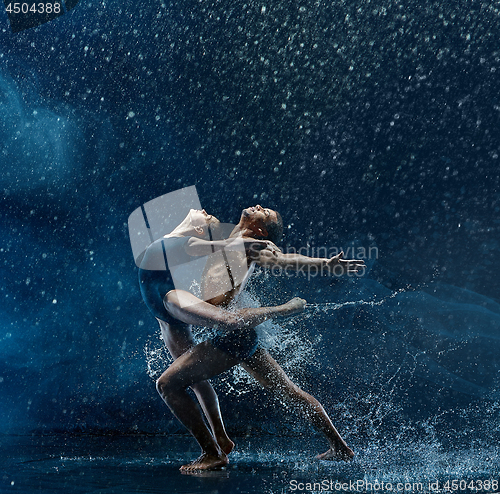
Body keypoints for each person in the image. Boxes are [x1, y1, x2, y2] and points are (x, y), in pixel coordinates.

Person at [140, 205, 365, 471]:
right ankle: (340, 448)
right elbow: (186, 244)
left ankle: (212, 453)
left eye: (265, 212)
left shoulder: (250, 245)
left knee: (168, 384)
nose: (258, 206)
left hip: (235, 335)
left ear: (260, 229)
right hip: (240, 335)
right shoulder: (229, 241)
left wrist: (324, 264)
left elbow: (283, 259)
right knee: (290, 392)